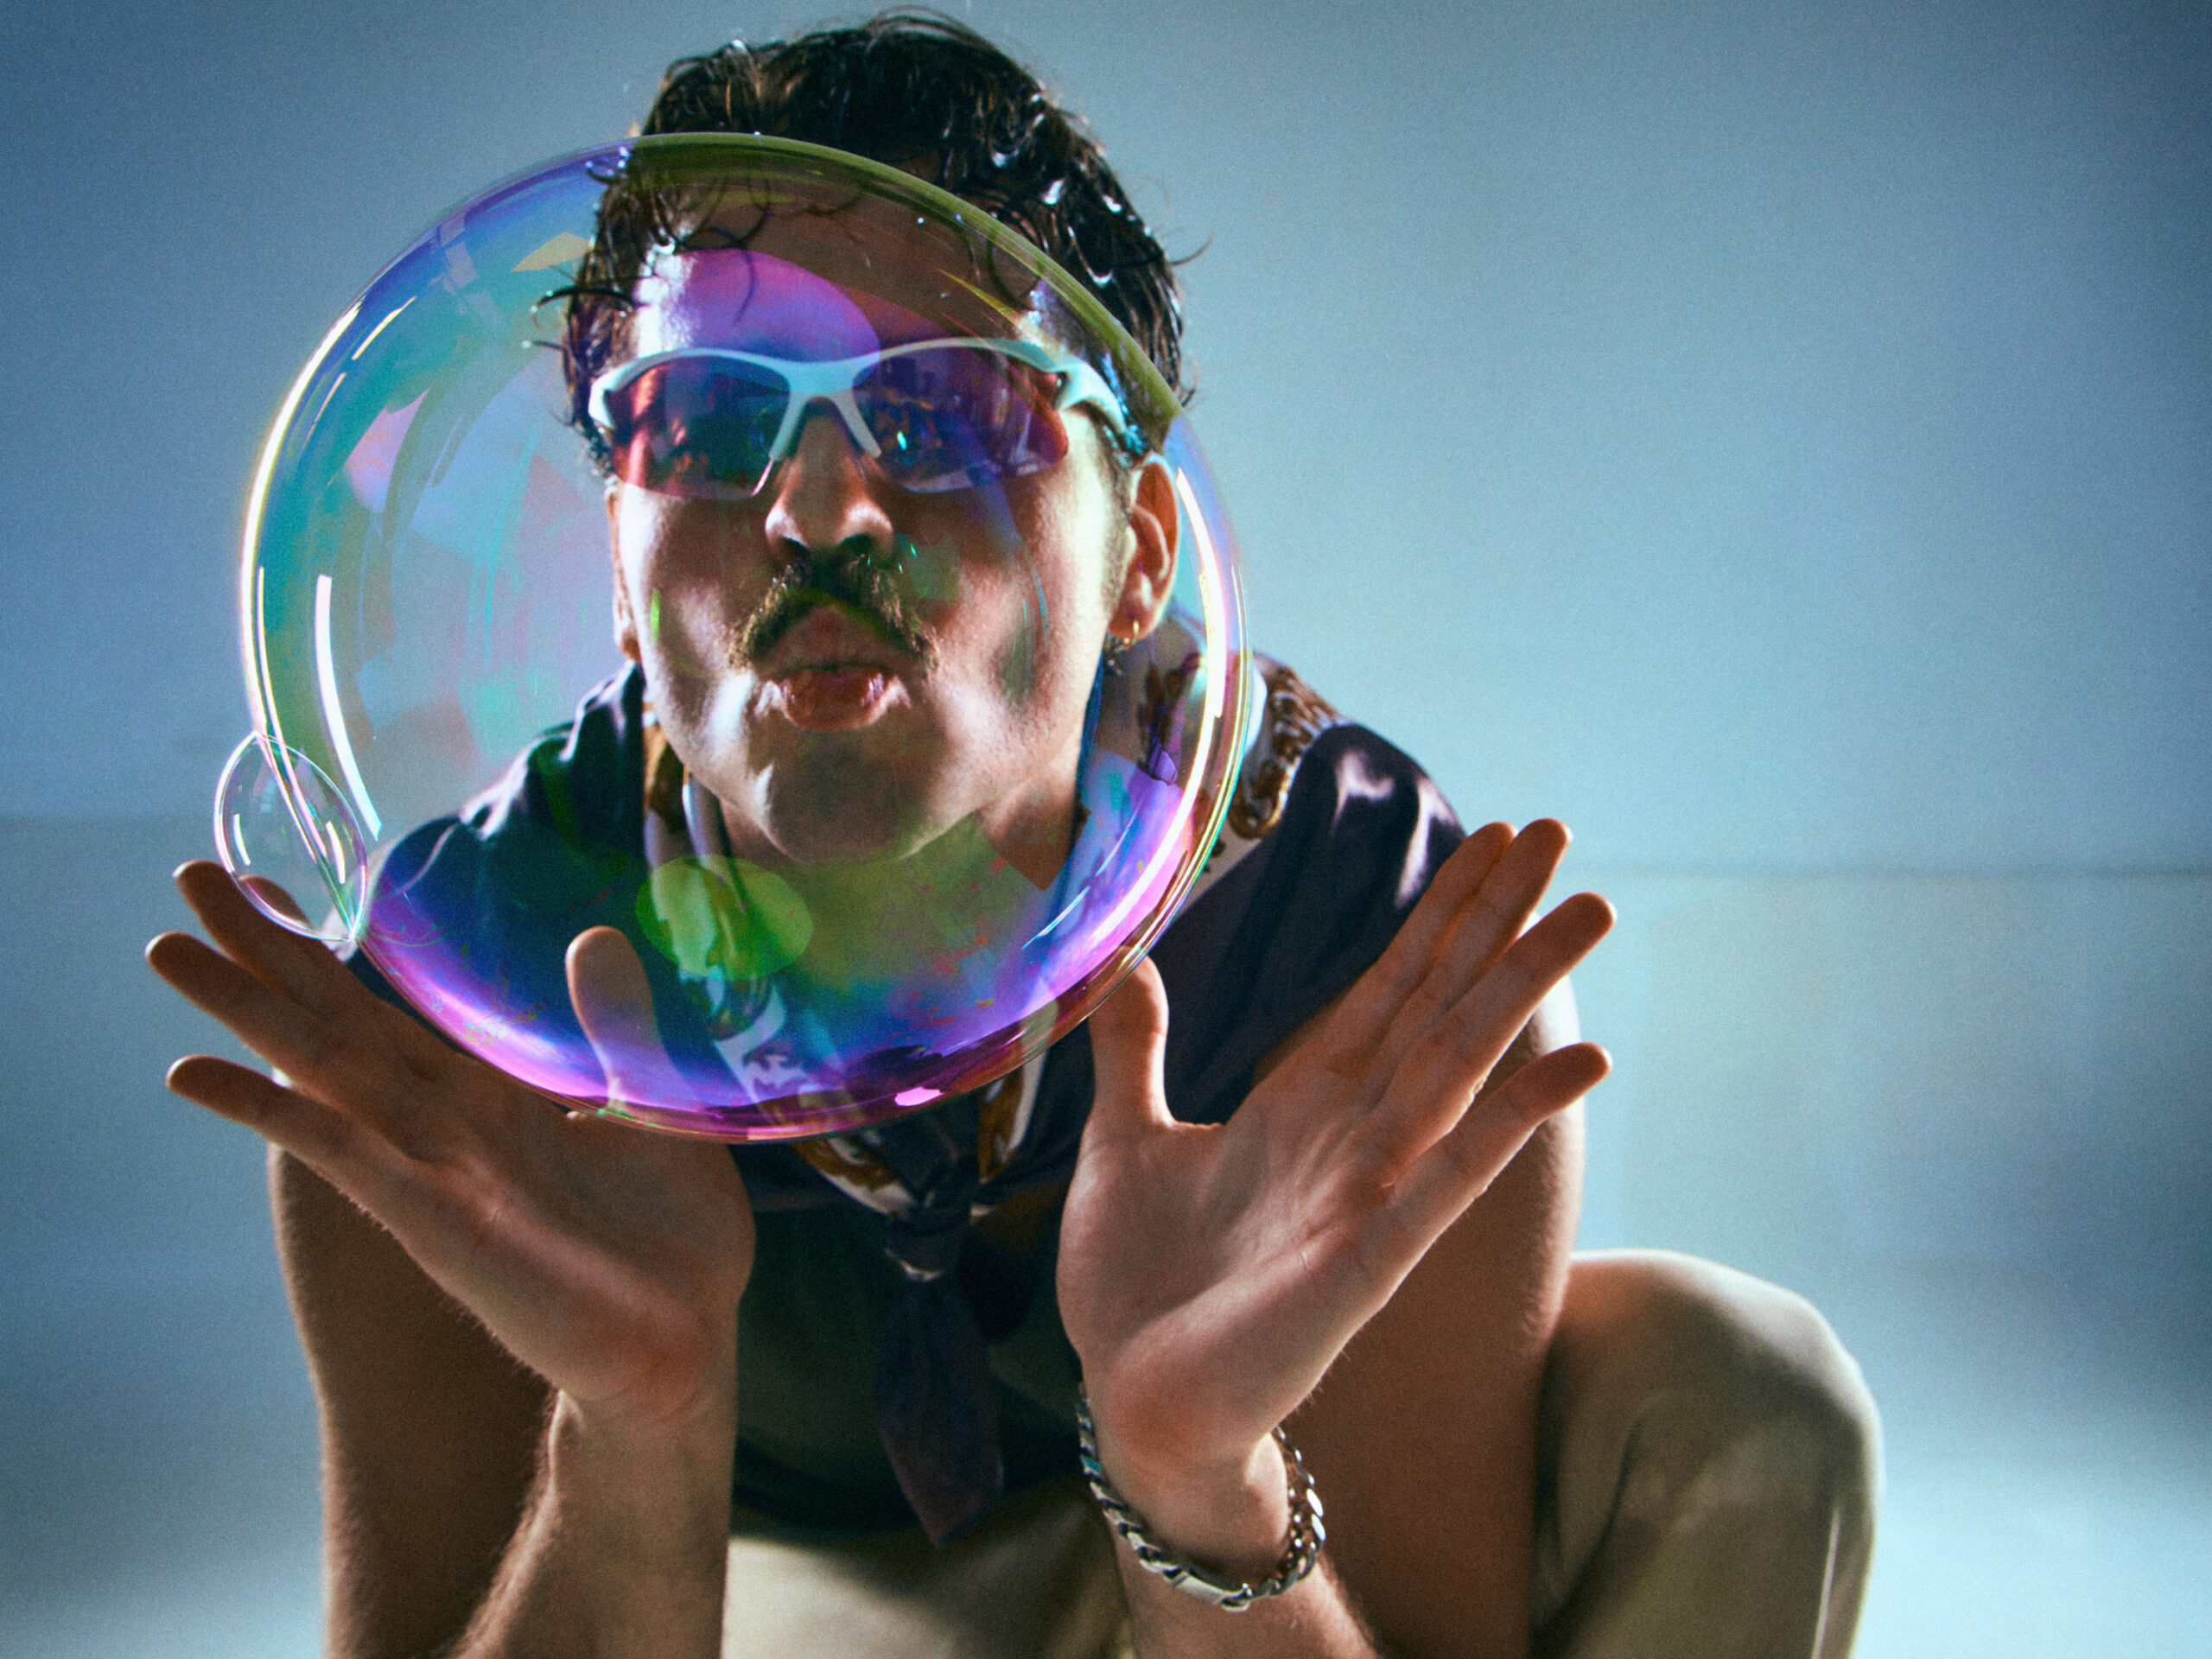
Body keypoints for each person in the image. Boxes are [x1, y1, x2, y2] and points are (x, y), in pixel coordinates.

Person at [147, 16, 1879, 1658]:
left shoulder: (1357, 942)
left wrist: (1200, 1467)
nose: (819, 513)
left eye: (949, 414)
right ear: (619, 559)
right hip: (733, 1598)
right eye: (710, 424)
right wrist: (636, 1422)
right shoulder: (456, 1016)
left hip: (1205, 1589)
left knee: (1736, 1397)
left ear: (1138, 555)